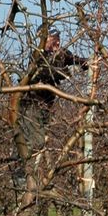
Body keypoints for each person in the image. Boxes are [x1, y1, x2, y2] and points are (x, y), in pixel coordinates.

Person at [14, 27, 88, 187]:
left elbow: (76, 60)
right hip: (31, 105)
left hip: (45, 106)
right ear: (43, 40)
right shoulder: (38, 56)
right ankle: (21, 176)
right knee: (34, 141)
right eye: (53, 39)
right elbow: (49, 73)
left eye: (58, 38)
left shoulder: (61, 54)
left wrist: (88, 64)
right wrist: (67, 72)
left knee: (41, 142)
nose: (57, 42)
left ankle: (33, 176)